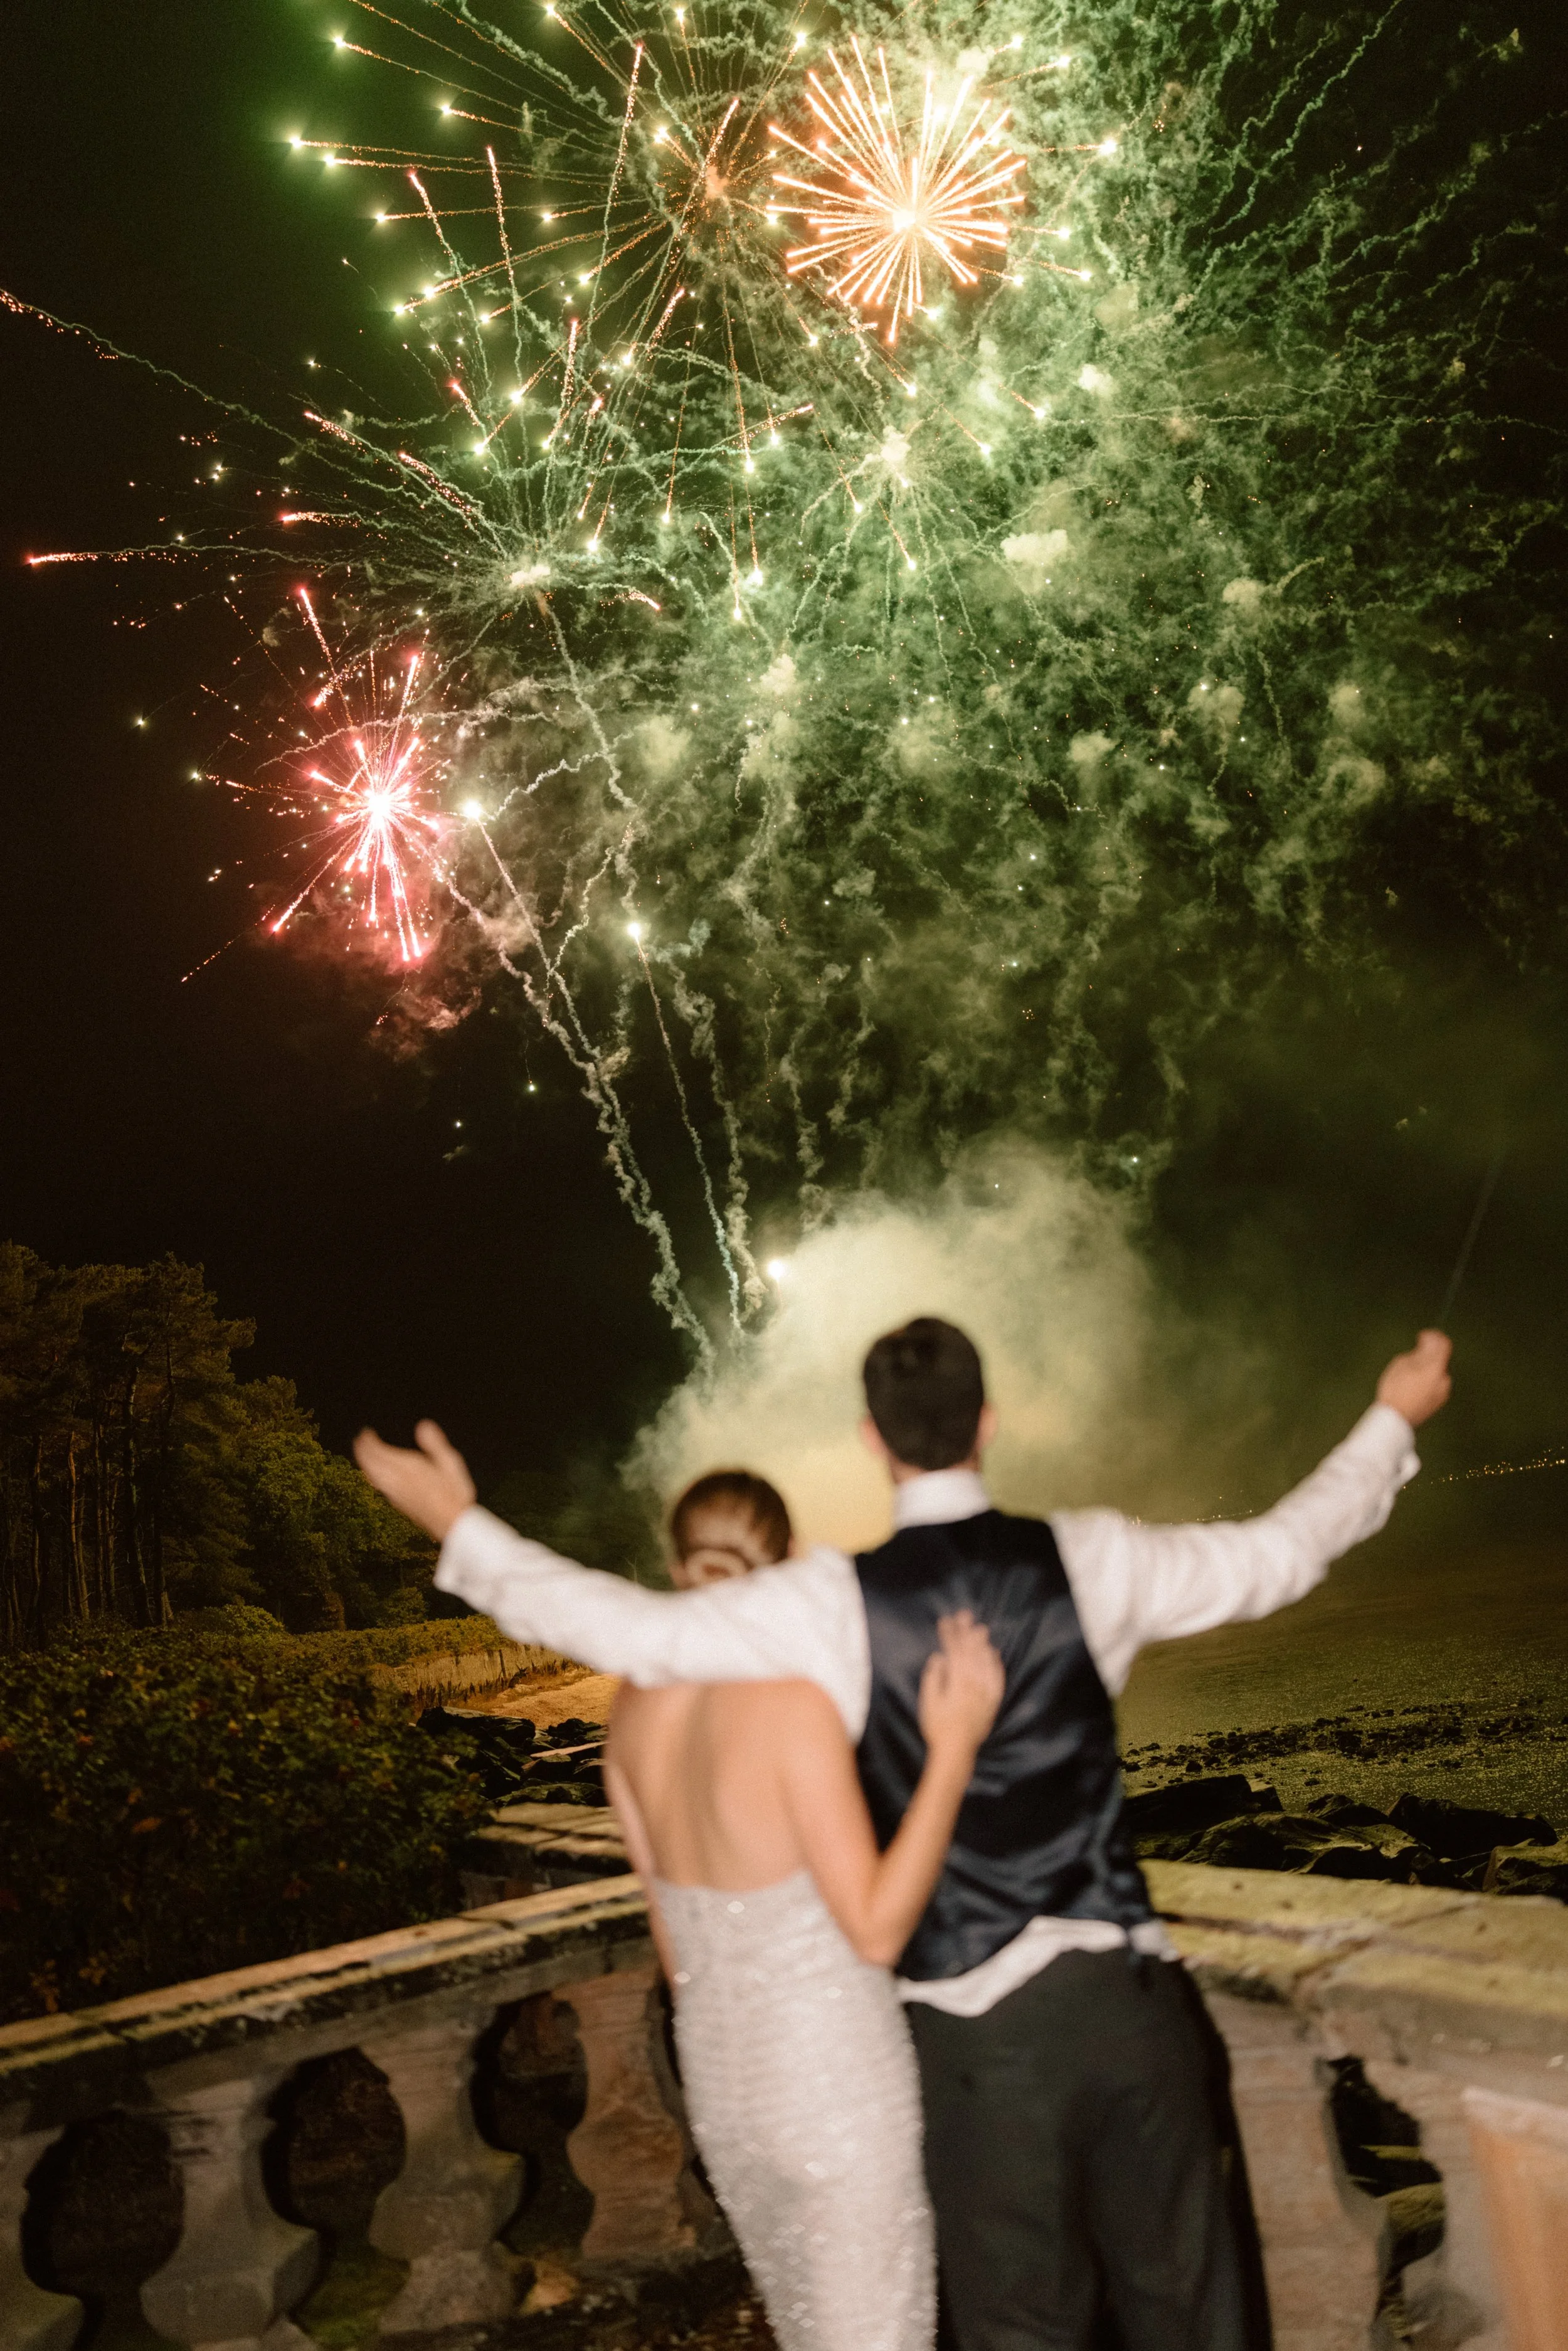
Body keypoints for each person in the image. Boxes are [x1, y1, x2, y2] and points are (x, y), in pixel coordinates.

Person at [356, 1320, 1453, 2350]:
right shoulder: (1091, 1556)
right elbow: (1284, 1552)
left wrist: (464, 1526)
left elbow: (627, 1628)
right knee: (1192, 2312)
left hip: (971, 2043)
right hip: (1128, 2012)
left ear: (873, 1442)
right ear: (989, 1422)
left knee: (1018, 2326)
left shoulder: (830, 1603)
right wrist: (1391, 1417)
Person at [603, 1466, 1004, 2351]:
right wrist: (952, 1751)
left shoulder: (631, 1709)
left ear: (678, 1564)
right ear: (785, 1564)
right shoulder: (791, 1707)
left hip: (723, 2083)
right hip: (830, 2083)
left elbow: (676, 1952)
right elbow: (875, 1926)